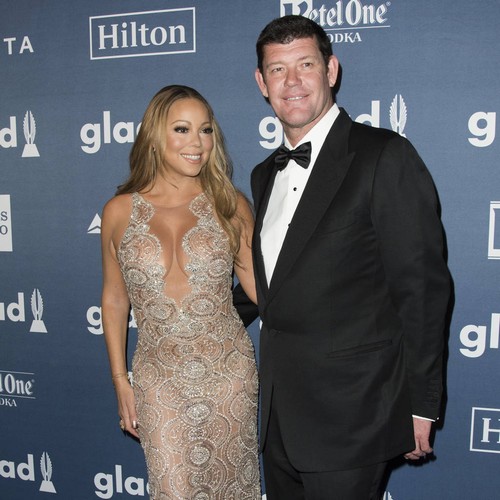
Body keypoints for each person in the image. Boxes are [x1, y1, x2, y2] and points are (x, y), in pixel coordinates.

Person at [236, 15, 451, 499]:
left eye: (305, 65)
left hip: (353, 414)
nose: (292, 82)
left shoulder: (383, 155)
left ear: (331, 70)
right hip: (278, 417)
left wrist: (422, 403)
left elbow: (421, 289)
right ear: (261, 83)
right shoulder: (263, 175)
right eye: (277, 70)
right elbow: (272, 286)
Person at [101, 85, 261, 499]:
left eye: (205, 130)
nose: (198, 143)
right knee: (172, 490)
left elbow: (262, 291)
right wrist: (120, 380)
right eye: (182, 129)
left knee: (234, 488)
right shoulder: (118, 211)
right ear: (155, 136)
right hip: (158, 378)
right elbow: (115, 300)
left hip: (228, 374)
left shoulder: (229, 204)